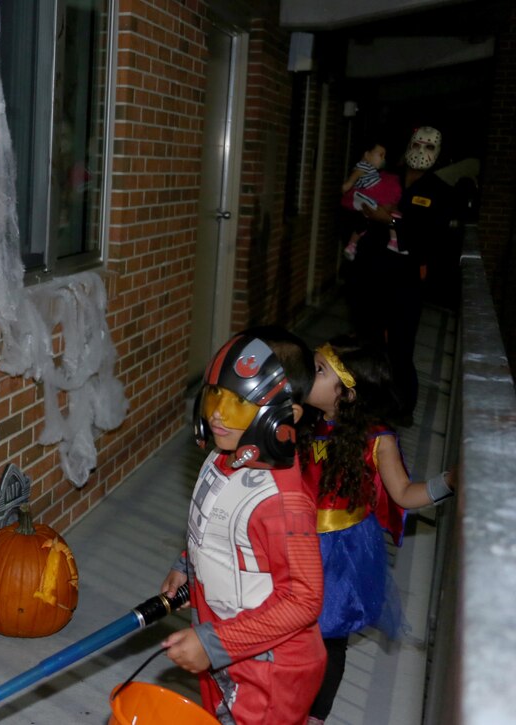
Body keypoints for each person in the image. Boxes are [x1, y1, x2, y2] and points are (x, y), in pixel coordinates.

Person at [160, 327, 326, 725]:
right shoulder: (224, 458)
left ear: (286, 415)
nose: (217, 413)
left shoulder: (282, 504)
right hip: (225, 647)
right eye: (215, 395)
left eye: (238, 402)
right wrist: (187, 565)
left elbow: (304, 599)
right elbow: (217, 524)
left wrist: (216, 642)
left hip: (269, 671)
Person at [296, 336, 455, 725]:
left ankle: (316, 715)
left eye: (318, 370)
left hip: (343, 552)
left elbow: (402, 493)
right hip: (296, 539)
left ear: (347, 395)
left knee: (330, 635)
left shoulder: (376, 439)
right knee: (290, 625)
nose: (307, 373)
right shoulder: (302, 421)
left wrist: (448, 482)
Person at [348, 126, 453, 424]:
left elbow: (431, 238)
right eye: (417, 144)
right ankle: (364, 400)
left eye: (429, 147)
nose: (421, 151)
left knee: (401, 346)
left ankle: (402, 407)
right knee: (366, 340)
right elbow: (355, 207)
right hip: (370, 272)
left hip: (405, 280)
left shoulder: (439, 192)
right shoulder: (385, 178)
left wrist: (391, 222)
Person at [338, 141, 402, 260]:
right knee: (391, 214)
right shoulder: (363, 166)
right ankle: (393, 241)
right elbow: (354, 177)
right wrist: (346, 186)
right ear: (367, 155)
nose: (383, 159)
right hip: (373, 193)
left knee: (370, 219)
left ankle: (353, 245)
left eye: (384, 156)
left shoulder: (372, 169)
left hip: (374, 192)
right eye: (380, 155)